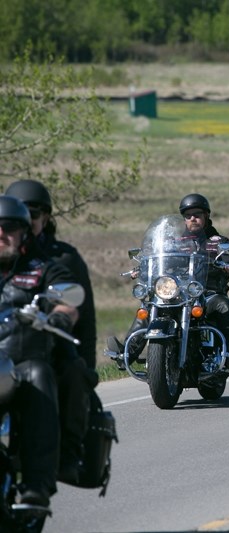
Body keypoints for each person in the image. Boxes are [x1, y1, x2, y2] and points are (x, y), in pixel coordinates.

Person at [5, 179, 97, 485]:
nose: (26, 221)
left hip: (49, 346)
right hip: (5, 347)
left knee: (70, 372)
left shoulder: (59, 259)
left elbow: (82, 315)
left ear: (46, 217)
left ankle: (67, 454)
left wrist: (85, 363)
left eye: (33, 214)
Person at [0, 195, 80, 507]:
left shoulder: (42, 268)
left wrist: (61, 313)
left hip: (22, 361)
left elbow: (68, 299)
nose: (1, 233)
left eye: (9, 227)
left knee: (39, 374)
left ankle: (37, 484)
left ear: (23, 233)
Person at [107, 193, 229, 367]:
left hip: (207, 294)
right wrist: (142, 267)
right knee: (148, 308)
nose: (192, 219)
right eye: (188, 216)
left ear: (206, 216)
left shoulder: (217, 242)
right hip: (178, 293)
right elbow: (160, 259)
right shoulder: (176, 242)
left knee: (222, 304)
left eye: (197, 215)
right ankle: (126, 353)